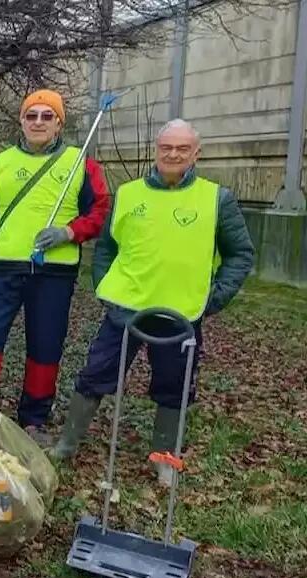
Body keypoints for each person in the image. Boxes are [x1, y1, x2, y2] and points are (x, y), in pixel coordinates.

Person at [51, 119, 254, 478]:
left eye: (182, 148)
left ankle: (163, 459)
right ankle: (66, 445)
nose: (173, 154)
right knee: (95, 374)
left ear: (196, 154)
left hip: (181, 314)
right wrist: (104, 285)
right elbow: (107, 247)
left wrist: (215, 297)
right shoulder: (128, 194)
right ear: (157, 150)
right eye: (166, 147)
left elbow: (240, 254)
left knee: (174, 387)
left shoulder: (216, 199)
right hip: (125, 309)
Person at [0, 89, 111, 442]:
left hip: (54, 273)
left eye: (47, 116)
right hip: (4, 269)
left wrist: (68, 232)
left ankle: (34, 419)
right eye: (31, 115)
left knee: (45, 346)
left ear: (59, 124)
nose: (38, 122)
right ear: (22, 122)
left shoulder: (80, 163)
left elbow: (100, 211)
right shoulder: (1, 163)